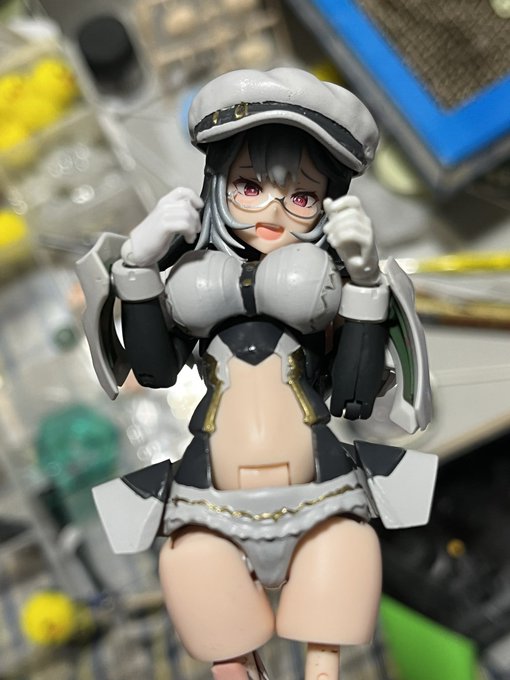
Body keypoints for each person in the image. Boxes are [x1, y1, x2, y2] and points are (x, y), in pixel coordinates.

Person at [77, 68, 437, 680]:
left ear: (327, 205)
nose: (272, 209)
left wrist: (364, 284)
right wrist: (136, 268)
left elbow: (352, 397)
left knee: (342, 574)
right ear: (218, 183)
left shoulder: (334, 285)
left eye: (300, 197)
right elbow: (155, 370)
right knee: (198, 582)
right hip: (208, 494)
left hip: (322, 486)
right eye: (250, 186)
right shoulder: (193, 267)